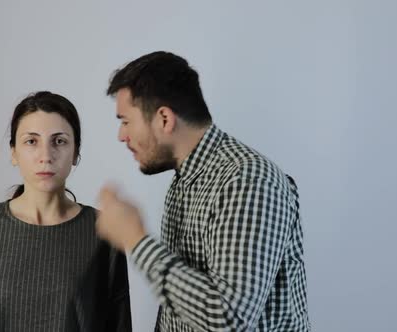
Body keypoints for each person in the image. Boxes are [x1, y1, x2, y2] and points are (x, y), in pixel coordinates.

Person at [96, 52, 309, 331]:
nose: (121, 136)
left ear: (164, 119)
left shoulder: (247, 180)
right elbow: (179, 303)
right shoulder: (184, 180)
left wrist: (136, 240)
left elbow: (228, 320)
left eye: (125, 121)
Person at [0, 91, 131, 331]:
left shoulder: (104, 230)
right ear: (14, 152)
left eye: (59, 141)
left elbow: (119, 324)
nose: (46, 156)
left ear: (75, 153)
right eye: (31, 141)